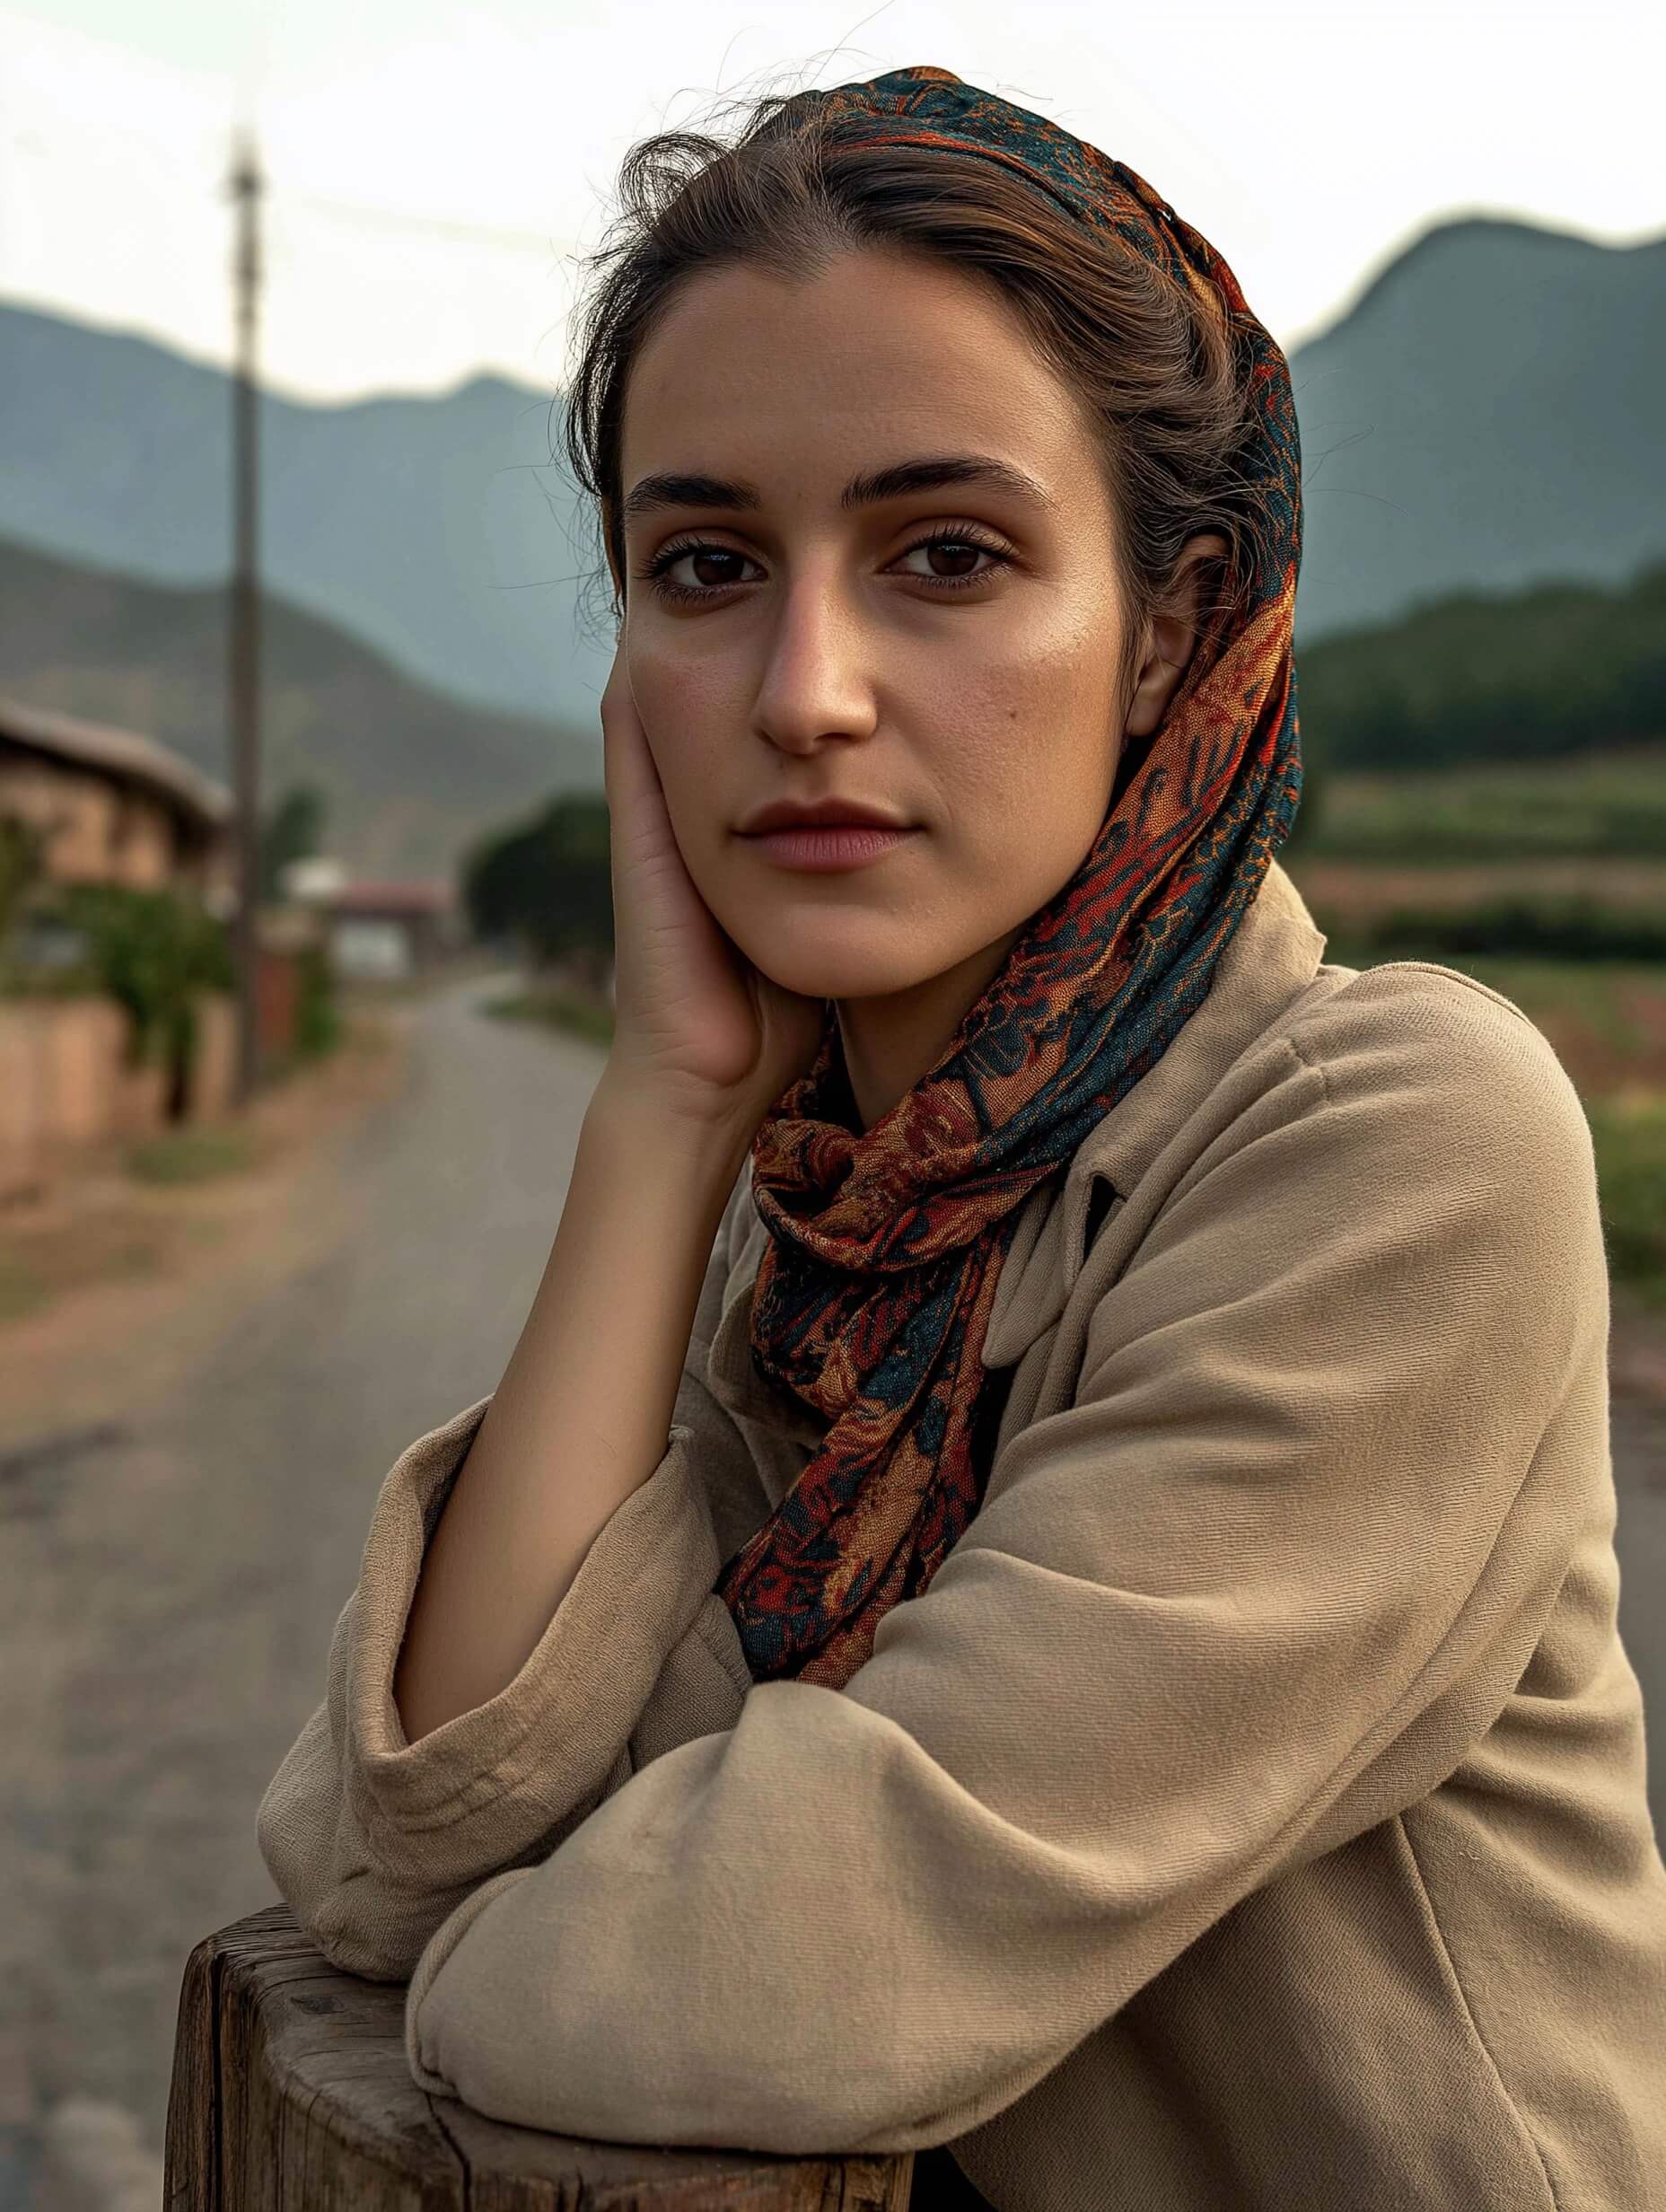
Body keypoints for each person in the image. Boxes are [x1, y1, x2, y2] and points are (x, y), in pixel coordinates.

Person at [256, 64, 1666, 2211]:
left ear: (1167, 633)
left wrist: (535, 1922)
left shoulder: (1391, 1149)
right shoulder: (835, 1223)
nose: (806, 685)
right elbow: (393, 1845)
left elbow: (762, 1966)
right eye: (706, 562)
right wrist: (663, 1110)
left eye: (945, 554)